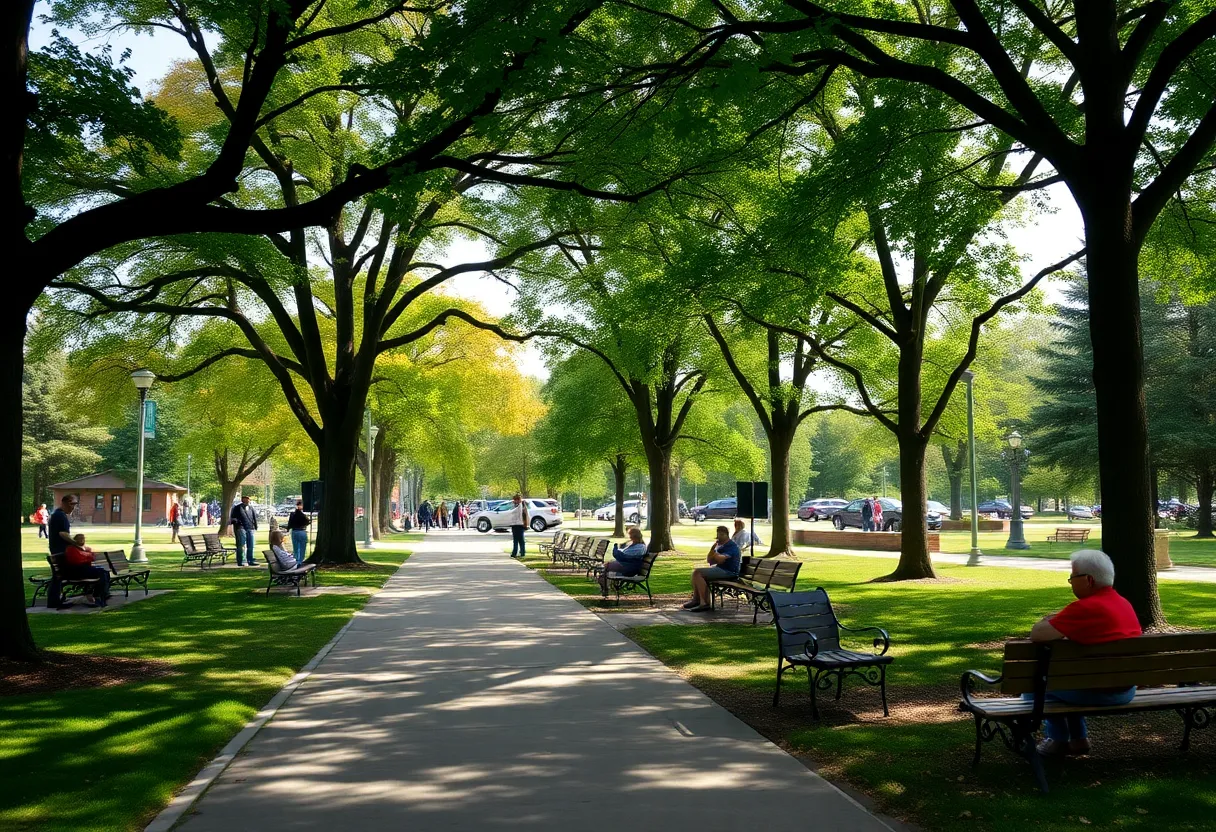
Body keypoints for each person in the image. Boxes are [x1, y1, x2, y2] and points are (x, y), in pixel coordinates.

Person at [1026, 550, 1142, 757]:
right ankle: (1079, 739)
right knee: (1070, 680)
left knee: (1034, 689)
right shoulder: (1123, 603)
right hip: (1126, 689)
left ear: (1088, 580)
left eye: (1072, 577)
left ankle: (1057, 740)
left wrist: (1049, 618)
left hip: (1098, 694)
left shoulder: (1085, 608)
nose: (1070, 583)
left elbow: (1038, 634)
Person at [683, 525, 742, 612]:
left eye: (722, 535)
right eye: (718, 535)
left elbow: (720, 559)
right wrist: (712, 551)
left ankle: (705, 603)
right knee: (696, 573)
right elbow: (710, 560)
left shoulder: (731, 546)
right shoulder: (720, 546)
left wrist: (714, 552)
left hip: (729, 572)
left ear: (727, 535)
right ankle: (696, 600)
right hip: (721, 569)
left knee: (698, 573)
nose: (719, 537)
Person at [46, 494, 78, 608]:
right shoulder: (60, 516)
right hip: (60, 551)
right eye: (71, 504)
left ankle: (54, 601)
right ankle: (54, 601)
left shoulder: (57, 514)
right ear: (64, 503)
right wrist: (76, 544)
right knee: (58, 577)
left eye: (74, 504)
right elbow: (63, 533)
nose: (73, 507)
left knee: (58, 577)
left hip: (57, 550)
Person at [64, 533, 110, 607]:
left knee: (105, 572)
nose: (82, 540)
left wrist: (87, 555)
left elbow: (91, 557)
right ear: (75, 540)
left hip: (85, 569)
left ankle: (101, 594)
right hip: (77, 571)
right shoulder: (71, 549)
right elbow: (78, 560)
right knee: (102, 573)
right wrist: (88, 555)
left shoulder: (84, 548)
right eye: (80, 538)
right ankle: (99, 596)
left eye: (83, 538)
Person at [599, 527, 646, 596]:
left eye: (630, 536)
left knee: (606, 567)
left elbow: (622, 556)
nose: (629, 538)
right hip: (628, 566)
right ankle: (607, 585)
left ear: (633, 537)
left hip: (630, 568)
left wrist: (615, 547)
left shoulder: (639, 547)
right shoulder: (637, 546)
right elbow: (624, 555)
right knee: (606, 569)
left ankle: (606, 587)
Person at [229, 495, 259, 567]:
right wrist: (237, 522)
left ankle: (250, 560)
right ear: (242, 500)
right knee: (241, 545)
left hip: (250, 528)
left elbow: (254, 517)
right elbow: (232, 518)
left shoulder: (251, 508)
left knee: (251, 545)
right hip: (240, 528)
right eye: (245, 499)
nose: (247, 500)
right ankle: (241, 561)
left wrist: (255, 526)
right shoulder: (237, 508)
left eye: (248, 499)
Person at [504, 493, 529, 558]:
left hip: (519, 525)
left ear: (518, 500)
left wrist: (525, 524)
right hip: (515, 525)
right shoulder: (517, 506)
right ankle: (516, 552)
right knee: (516, 540)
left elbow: (524, 515)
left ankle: (520, 553)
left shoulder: (520, 506)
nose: (514, 501)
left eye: (515, 500)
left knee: (520, 540)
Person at [286, 499, 311, 565]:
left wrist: (288, 529)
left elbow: (290, 523)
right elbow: (308, 521)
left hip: (294, 531)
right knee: (302, 547)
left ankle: (297, 560)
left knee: (296, 547)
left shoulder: (293, 514)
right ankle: (300, 560)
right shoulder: (303, 515)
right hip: (302, 531)